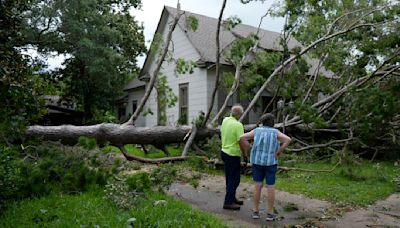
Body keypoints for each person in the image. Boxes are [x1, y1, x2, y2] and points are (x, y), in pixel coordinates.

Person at [239, 113, 291, 221]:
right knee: (270, 187)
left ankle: (255, 211)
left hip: (257, 162)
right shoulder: (275, 132)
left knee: (257, 186)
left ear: (262, 121)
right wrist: (279, 151)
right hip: (271, 163)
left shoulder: (257, 131)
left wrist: (250, 148)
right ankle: (270, 213)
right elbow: (288, 140)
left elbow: (242, 138)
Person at [220, 104, 248, 210]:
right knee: (235, 179)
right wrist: (245, 155)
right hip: (233, 154)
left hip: (224, 151)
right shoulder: (238, 125)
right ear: (239, 114)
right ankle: (228, 202)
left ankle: (232, 198)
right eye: (241, 114)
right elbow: (241, 141)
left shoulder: (225, 120)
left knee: (229, 177)